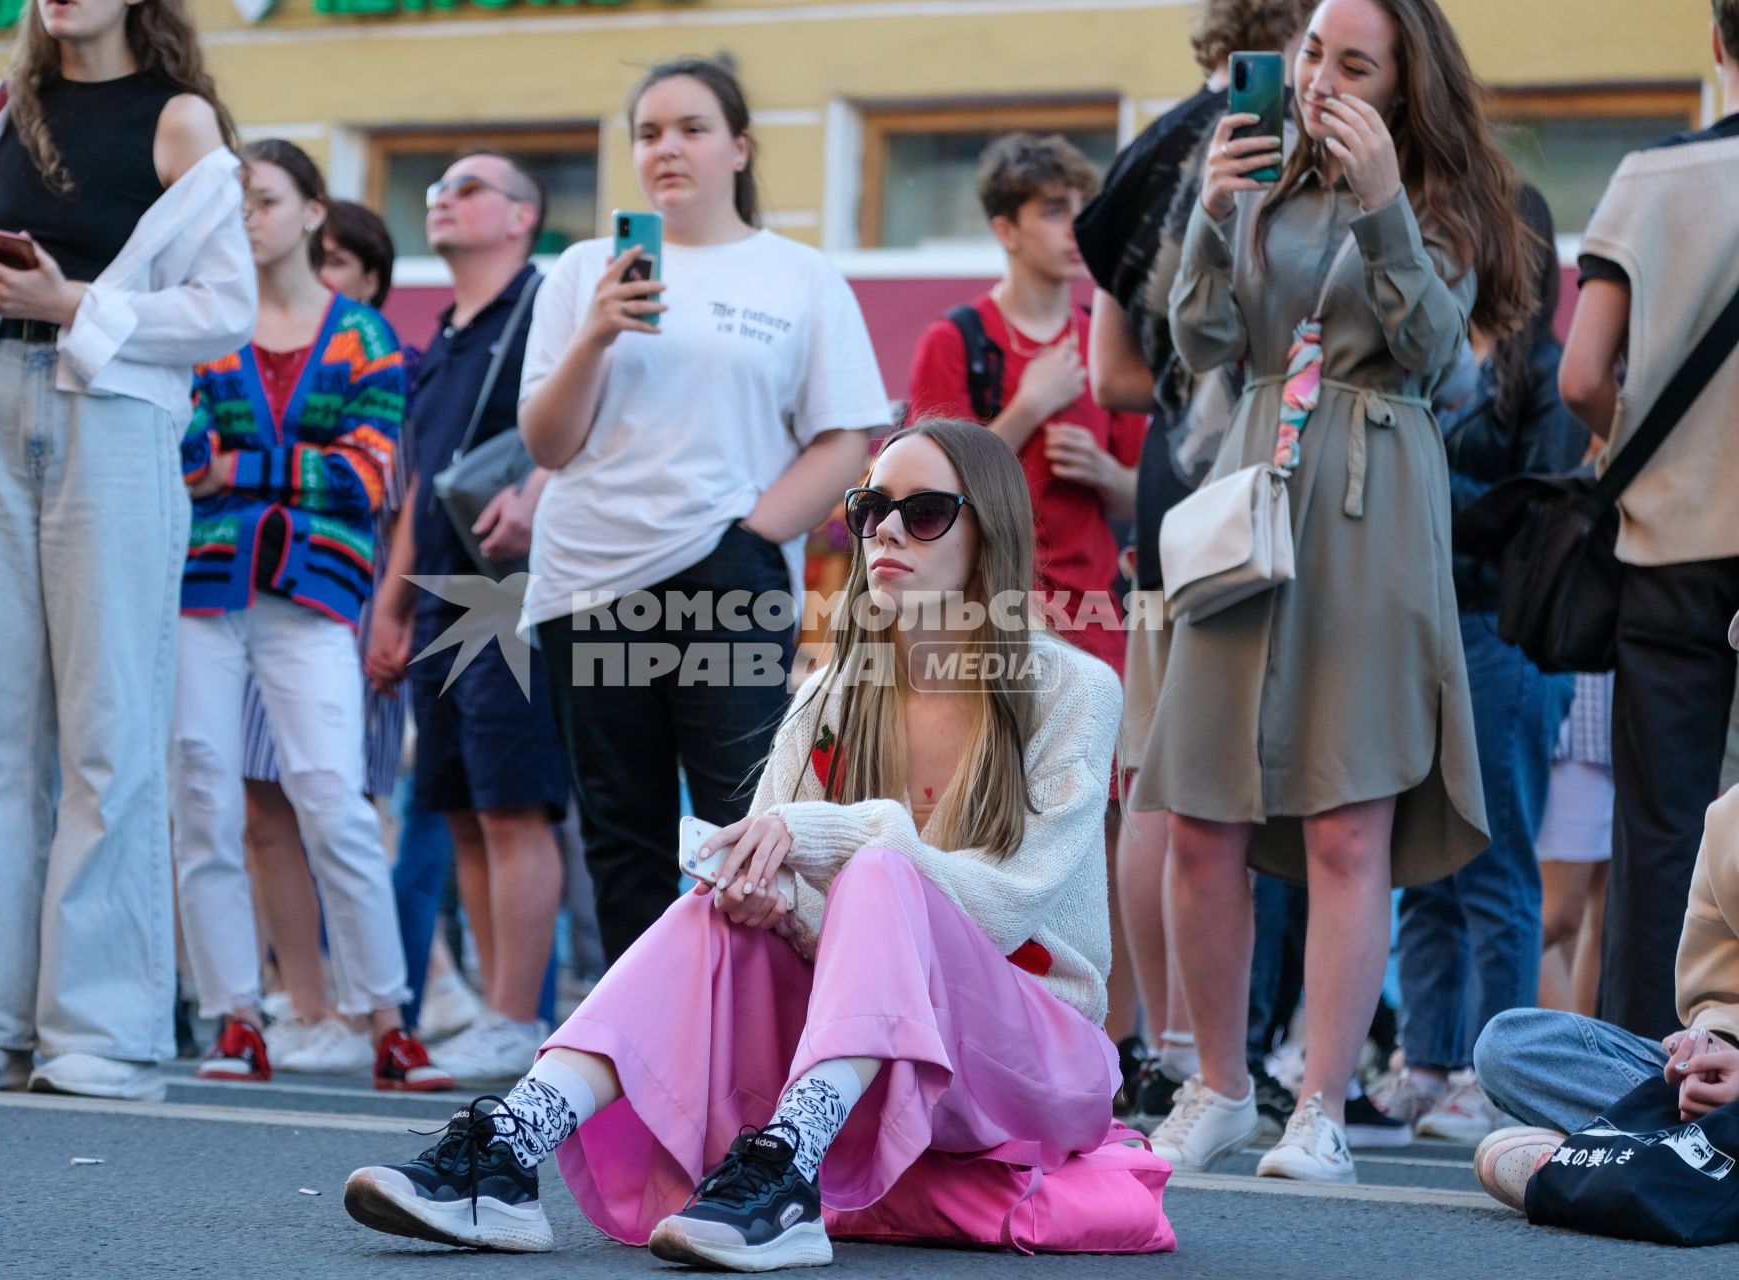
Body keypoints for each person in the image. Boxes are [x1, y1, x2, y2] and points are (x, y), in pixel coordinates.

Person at [343, 421, 1172, 1268]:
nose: (885, 530)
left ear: (988, 530)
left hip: (1034, 1062)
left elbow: (1010, 908)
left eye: (922, 512)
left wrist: (837, 839)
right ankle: (510, 1148)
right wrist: (773, 906)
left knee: (881, 869)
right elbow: (819, 907)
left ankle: (788, 1169)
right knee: (715, 912)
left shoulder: (1072, 687)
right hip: (887, 1055)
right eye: (869, 508)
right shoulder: (830, 695)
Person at [1137, 0, 1534, 1182]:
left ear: (1407, 84)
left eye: (1354, 62)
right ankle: (1215, 1081)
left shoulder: (1450, 204)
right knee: (1201, 811)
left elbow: (1434, 360)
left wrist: (1382, 206)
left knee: (1345, 817)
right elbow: (1203, 340)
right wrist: (1211, 215)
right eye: (1313, 52)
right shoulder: (1258, 177)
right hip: (1251, 491)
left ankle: (1318, 1104)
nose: (1320, 79)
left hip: (1371, 504)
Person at [0, 0, 255, 1101]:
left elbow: (224, 308)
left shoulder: (180, 121)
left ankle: (98, 1031)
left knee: (107, 725)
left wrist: (75, 303)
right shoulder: (0, 109)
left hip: (110, 410)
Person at [518, 56, 888, 965]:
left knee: (747, 825)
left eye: (690, 129)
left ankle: (754, 1049)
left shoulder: (797, 276)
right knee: (622, 834)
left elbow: (848, 437)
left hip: (727, 570)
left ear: (738, 148)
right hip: (588, 581)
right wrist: (599, 329)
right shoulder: (578, 272)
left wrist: (750, 535)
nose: (666, 149)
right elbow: (546, 442)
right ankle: (639, 1062)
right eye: (648, 133)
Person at [1074, 0, 1315, 1134]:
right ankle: (1233, 1050)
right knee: (1251, 779)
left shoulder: (1145, 153)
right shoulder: (1316, 131)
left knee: (1162, 771)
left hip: (1180, 480)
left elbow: (1112, 371)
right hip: (1279, 471)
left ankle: (1171, 1045)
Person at [168, 139, 449, 1094]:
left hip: (314, 594)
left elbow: (369, 476)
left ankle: (388, 1021)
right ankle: (237, 1018)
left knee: (333, 795)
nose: (249, 216)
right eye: (235, 202)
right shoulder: (201, 323)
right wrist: (285, 470)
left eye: (265, 199)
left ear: (311, 210)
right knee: (204, 793)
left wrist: (241, 472)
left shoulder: (363, 335)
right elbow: (178, 450)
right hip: (201, 590)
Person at [904, 131, 1145, 1051]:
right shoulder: (956, 340)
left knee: (1109, 827)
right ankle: (979, 1031)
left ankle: (1110, 1048)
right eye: (1054, 210)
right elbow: (920, 487)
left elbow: (1139, 488)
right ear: (1005, 227)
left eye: (1081, 207)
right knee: (978, 819)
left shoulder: (1103, 342)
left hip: (1096, 619)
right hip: (990, 618)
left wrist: (1109, 476)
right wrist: (1031, 409)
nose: (1075, 227)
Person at [1370, 184, 1587, 1146]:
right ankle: (1424, 1062)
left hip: (1503, 633)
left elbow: (1539, 505)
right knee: (1423, 860)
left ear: (1514, 252)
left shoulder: (1549, 371)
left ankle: (1495, 1079)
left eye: (1456, 242)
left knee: (1496, 861)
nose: (1439, 259)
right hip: (1423, 625)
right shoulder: (1428, 360)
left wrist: (1419, 483)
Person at [362, 150, 573, 1083]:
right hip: (446, 592)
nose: (444, 200)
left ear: (524, 216)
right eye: (438, 189)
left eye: (471, 187)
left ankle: (518, 1013)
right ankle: (500, 1013)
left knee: (514, 807)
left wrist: (534, 486)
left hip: (515, 590)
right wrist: (392, 603)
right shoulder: (443, 333)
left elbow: (588, 430)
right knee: (457, 809)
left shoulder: (547, 310)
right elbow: (417, 488)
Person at [1555, 0, 1739, 1042]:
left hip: (1668, 546)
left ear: (1718, 41)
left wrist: (1628, 440)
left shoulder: (1649, 178)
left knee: (1662, 828)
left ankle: (1640, 1074)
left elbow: (1583, 374)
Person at [230, 195, 413, 1076]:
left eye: (342, 262)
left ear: (371, 280)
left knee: (339, 804)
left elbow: (388, 491)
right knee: (257, 807)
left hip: (343, 594)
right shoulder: (235, 340)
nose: (323, 276)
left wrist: (394, 610)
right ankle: (301, 1003)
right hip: (240, 588)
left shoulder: (374, 356)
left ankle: (372, 1006)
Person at [1470, 730, 1739, 1211]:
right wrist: (1707, 1045)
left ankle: (1614, 1157)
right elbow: (1715, 994)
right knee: (1508, 1044)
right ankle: (1672, 1157)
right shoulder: (1729, 818)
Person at [1536, 672, 1613, 1015]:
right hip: (1575, 738)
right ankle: (1448, 1023)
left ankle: (1584, 1053)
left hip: (1622, 739)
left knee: (1606, 917)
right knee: (1558, 914)